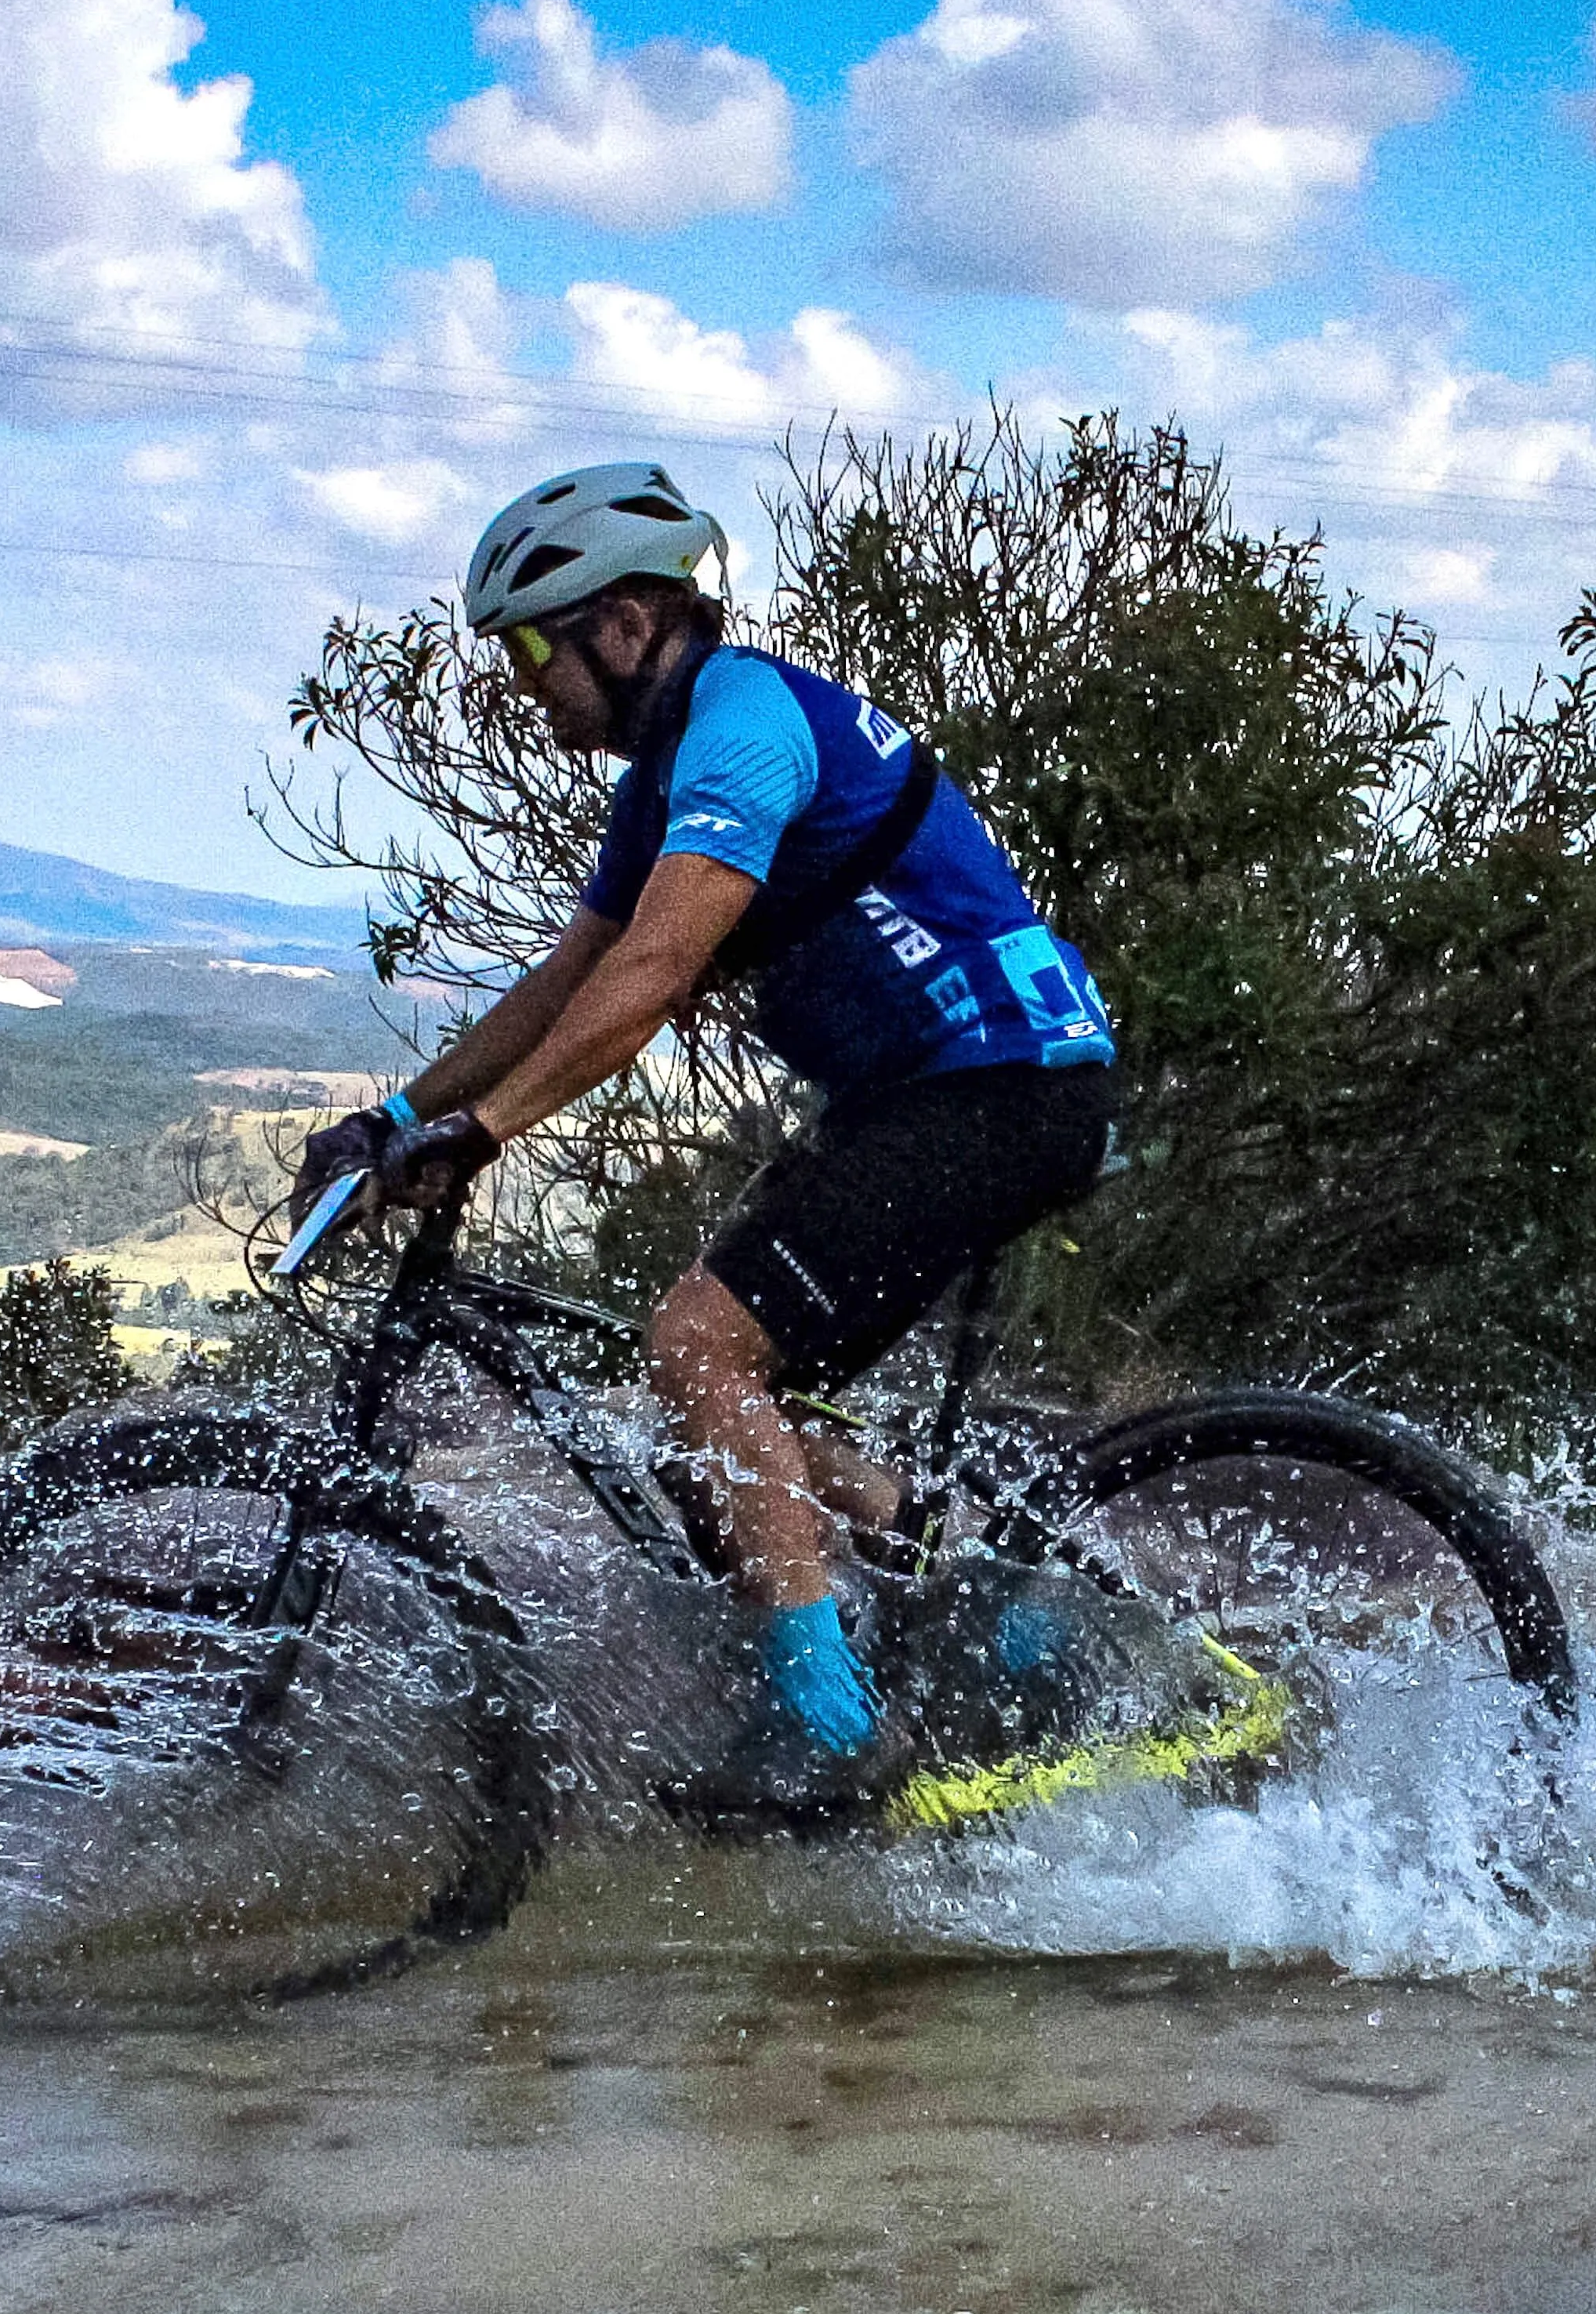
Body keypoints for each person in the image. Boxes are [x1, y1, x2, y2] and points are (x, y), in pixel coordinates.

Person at [293, 462, 1116, 1789]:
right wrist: (397, 1113)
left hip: (999, 1085)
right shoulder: (668, 771)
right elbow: (565, 980)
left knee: (696, 1346)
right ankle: (974, 1596)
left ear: (622, 623)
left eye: (527, 646)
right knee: (704, 1418)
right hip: (931, 1092)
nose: (521, 682)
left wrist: (482, 1135)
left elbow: (651, 978)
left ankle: (831, 1729)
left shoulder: (742, 728)